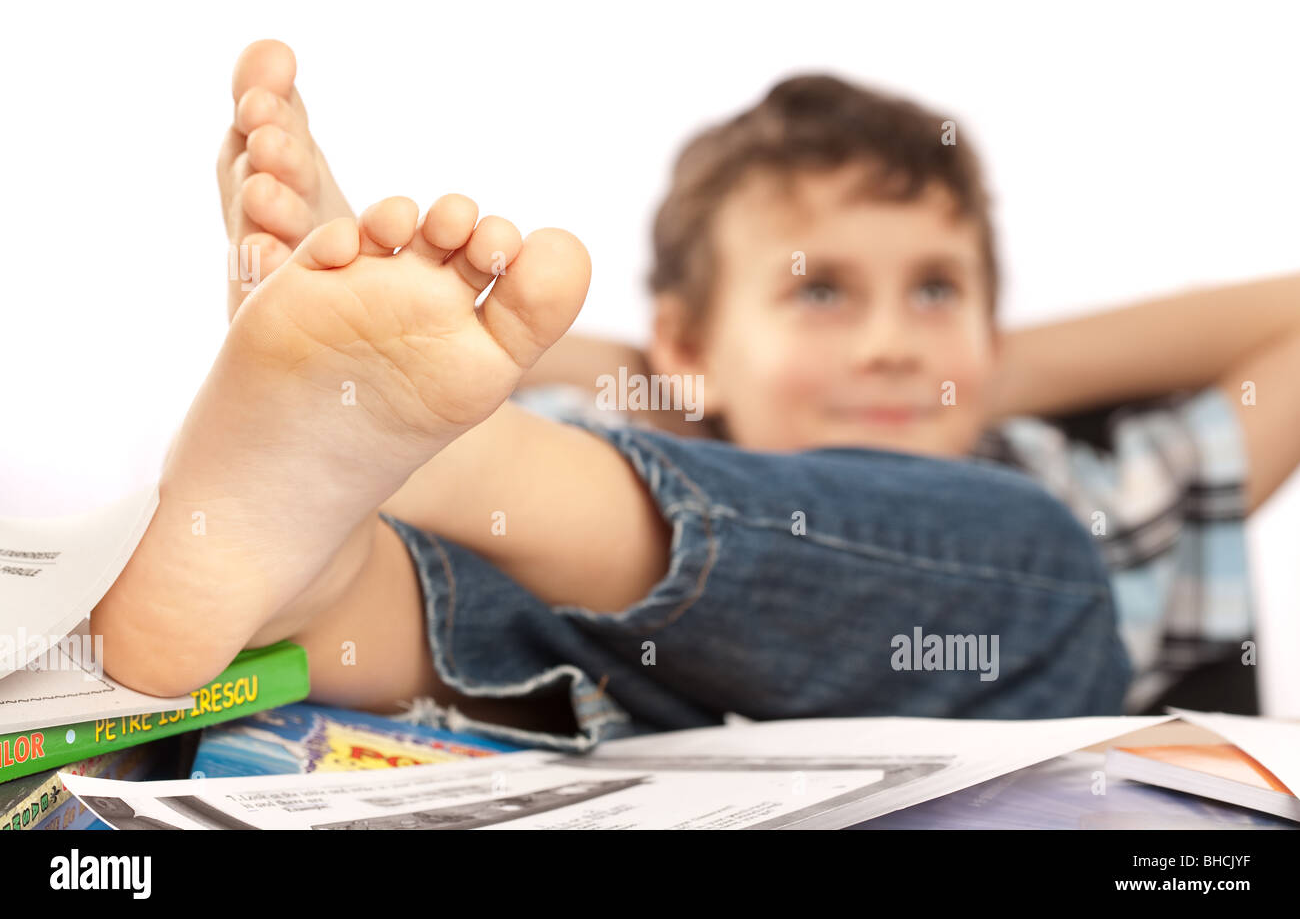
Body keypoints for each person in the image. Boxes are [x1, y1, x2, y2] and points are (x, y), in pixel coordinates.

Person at [93, 40, 1298, 749]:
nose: (887, 340)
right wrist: (675, 389)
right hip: (591, 674)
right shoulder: (602, 453)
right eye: (821, 292)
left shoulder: (1069, 483)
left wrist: (989, 364)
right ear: (686, 344)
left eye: (935, 290)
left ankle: (431, 455)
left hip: (1008, 664)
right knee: (507, 553)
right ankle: (327, 571)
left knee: (1044, 554)